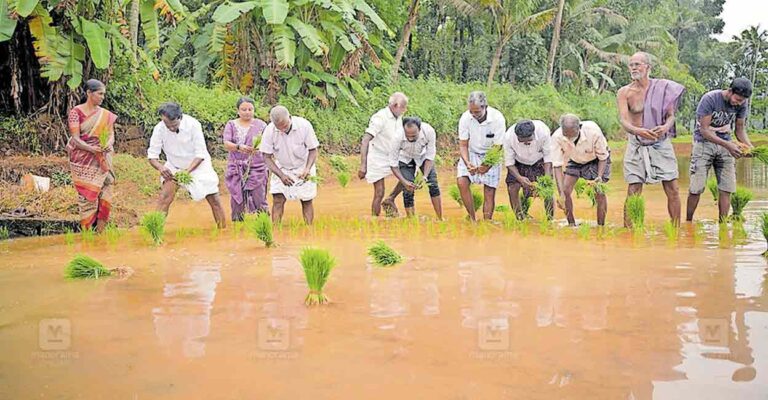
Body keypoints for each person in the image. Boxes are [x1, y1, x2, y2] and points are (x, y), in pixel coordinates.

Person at [617, 51, 685, 227]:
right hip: (636, 144)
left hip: (661, 143)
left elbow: (671, 116)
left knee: (673, 188)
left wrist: (665, 128)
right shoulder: (624, 92)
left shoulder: (663, 88)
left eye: (637, 64)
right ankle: (629, 231)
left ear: (648, 67)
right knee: (633, 189)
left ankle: (676, 230)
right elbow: (624, 121)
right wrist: (639, 131)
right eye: (631, 65)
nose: (633, 68)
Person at [147, 102, 226, 228]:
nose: (171, 128)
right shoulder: (159, 128)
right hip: (174, 166)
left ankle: (223, 232)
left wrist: (187, 172)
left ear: (180, 117)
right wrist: (161, 168)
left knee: (214, 199)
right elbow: (152, 156)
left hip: (198, 165)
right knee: (164, 197)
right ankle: (155, 232)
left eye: (174, 125)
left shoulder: (194, 125)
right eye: (168, 125)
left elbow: (200, 154)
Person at [686, 77, 754, 222]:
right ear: (730, 91)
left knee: (727, 187)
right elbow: (704, 130)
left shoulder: (742, 103)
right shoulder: (710, 99)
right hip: (703, 143)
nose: (739, 103)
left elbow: (740, 129)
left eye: (742, 100)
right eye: (737, 99)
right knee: (696, 188)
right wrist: (728, 145)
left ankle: (723, 225)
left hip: (726, 142)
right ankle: (688, 222)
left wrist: (749, 147)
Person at [67, 79, 117, 232]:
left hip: (103, 157)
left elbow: (111, 135)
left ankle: (100, 234)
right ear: (89, 93)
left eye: (104, 94)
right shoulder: (76, 112)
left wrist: (108, 144)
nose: (103, 97)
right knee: (87, 196)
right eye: (100, 93)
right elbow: (75, 139)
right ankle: (87, 234)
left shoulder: (105, 115)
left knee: (106, 190)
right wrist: (92, 149)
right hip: (84, 159)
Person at [259, 105, 319, 224]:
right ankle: (275, 230)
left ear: (290, 118)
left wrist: (307, 169)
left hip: (303, 165)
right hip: (281, 168)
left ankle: (309, 229)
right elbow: (266, 157)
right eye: (279, 128)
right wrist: (281, 175)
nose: (282, 130)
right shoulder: (269, 130)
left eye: (285, 126)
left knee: (306, 200)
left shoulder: (304, 125)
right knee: (278, 199)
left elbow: (313, 150)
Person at [552, 114, 610, 226]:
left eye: (572, 135)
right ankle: (571, 224)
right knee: (565, 190)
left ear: (579, 127)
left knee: (599, 192)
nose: (569, 138)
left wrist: (599, 177)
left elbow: (603, 158)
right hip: (574, 159)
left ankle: (600, 226)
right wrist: (561, 194)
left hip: (596, 159)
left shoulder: (593, 132)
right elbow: (557, 166)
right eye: (566, 135)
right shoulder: (557, 137)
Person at [456, 91, 506, 221]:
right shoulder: (465, 118)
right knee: (462, 182)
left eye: (477, 112)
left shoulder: (497, 118)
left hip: (491, 154)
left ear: (485, 107)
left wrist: (486, 166)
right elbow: (463, 145)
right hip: (471, 152)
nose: (474, 115)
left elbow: (497, 147)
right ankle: (472, 218)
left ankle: (487, 222)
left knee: (489, 191)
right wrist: (467, 163)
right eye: (471, 111)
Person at [358, 92, 408, 217]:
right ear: (396, 105)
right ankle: (375, 220)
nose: (404, 110)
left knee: (409, 174)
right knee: (379, 192)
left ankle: (390, 198)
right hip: (378, 157)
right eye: (403, 107)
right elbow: (365, 140)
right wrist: (363, 165)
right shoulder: (380, 117)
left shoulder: (398, 117)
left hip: (394, 155)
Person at [222, 97, 269, 221]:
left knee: (259, 195)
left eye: (250, 109)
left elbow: (268, 143)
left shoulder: (261, 125)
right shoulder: (231, 124)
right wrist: (238, 147)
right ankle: (237, 225)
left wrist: (258, 147)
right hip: (236, 167)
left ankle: (263, 222)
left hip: (257, 166)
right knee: (237, 197)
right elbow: (226, 143)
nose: (247, 112)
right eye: (243, 109)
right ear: (237, 111)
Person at [387, 116, 443, 219]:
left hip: (422, 156)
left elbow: (430, 156)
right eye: (408, 136)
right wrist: (404, 182)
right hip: (404, 158)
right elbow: (393, 164)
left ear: (419, 129)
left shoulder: (429, 131)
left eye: (413, 135)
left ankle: (440, 218)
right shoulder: (397, 137)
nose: (410, 138)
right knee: (408, 188)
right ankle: (411, 219)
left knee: (433, 184)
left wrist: (425, 176)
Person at [503, 119, 553, 220]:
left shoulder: (543, 131)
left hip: (539, 160)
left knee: (547, 190)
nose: (526, 143)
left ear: (533, 134)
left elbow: (548, 156)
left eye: (529, 140)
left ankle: (550, 219)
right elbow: (509, 163)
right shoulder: (508, 137)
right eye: (522, 141)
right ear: (517, 136)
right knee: (513, 188)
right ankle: (520, 218)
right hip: (518, 161)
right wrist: (520, 178)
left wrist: (547, 177)